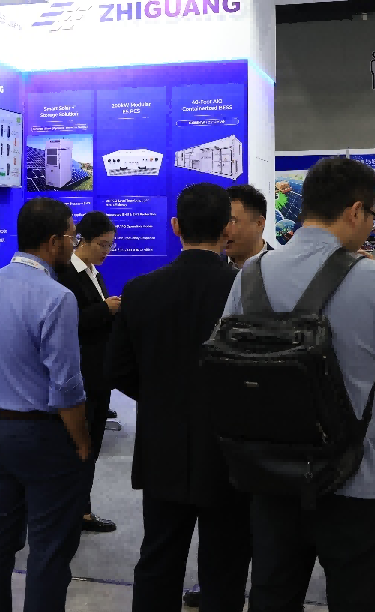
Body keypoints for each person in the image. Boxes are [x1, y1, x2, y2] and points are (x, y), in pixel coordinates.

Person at [220, 157, 375, 612]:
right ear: (354, 211)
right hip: (353, 480)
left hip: (270, 477)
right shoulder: (374, 278)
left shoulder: (250, 275)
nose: (371, 225)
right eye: (371, 215)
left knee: (273, 598)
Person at [109, 184, 253, 612]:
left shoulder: (139, 290)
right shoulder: (249, 291)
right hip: (229, 448)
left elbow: (117, 369)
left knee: (158, 559)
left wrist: (159, 395)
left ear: (175, 226)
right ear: (228, 229)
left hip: (162, 445)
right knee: (225, 567)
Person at [0, 198, 91, 612]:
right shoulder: (57, 297)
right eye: (72, 236)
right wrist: (82, 441)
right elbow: (66, 385)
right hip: (43, 433)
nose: (73, 244)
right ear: (54, 242)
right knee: (50, 545)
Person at [56, 211, 121, 534]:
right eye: (102, 245)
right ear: (83, 240)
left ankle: (82, 509)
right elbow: (67, 321)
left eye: (110, 245)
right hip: (79, 375)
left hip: (98, 374)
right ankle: (73, 511)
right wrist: (104, 309)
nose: (106, 251)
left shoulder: (95, 273)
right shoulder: (66, 274)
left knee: (91, 445)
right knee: (77, 447)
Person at [224, 183, 271, 269]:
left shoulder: (283, 267)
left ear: (259, 223)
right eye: (222, 222)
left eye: (232, 221)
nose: (224, 230)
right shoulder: (211, 268)